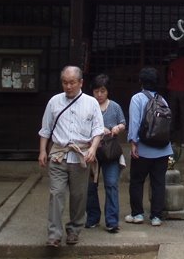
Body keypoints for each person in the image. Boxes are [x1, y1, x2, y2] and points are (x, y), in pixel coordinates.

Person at [38, 66, 104, 247]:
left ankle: (74, 230)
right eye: (65, 83)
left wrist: (93, 149)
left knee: (78, 196)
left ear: (81, 82)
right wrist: (43, 151)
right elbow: (46, 129)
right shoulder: (54, 102)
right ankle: (54, 235)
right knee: (56, 193)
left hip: (81, 157)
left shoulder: (91, 103)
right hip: (58, 155)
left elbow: (98, 130)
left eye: (72, 83)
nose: (68, 87)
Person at [125, 66, 173, 227]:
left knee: (137, 181)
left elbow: (134, 122)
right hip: (163, 149)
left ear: (141, 82)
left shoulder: (137, 98)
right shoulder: (162, 100)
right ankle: (156, 216)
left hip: (143, 149)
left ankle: (138, 214)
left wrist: (133, 142)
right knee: (158, 182)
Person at [85, 74, 126, 233]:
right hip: (91, 151)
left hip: (110, 150)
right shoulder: (87, 106)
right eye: (96, 91)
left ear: (108, 91)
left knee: (111, 184)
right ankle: (93, 218)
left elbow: (123, 123)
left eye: (103, 91)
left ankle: (112, 221)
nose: (99, 94)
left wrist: (117, 128)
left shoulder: (115, 107)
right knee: (90, 187)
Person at [166, 52, 184, 146]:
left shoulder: (173, 63)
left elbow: (170, 77)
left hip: (173, 90)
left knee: (172, 115)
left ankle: (171, 140)